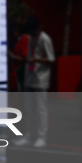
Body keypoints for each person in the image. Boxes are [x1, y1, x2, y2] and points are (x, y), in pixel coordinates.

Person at [13, 17, 54, 148]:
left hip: (40, 78)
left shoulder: (44, 39)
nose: (31, 33)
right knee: (29, 108)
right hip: (29, 76)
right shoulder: (31, 38)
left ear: (39, 29)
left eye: (33, 31)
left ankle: (42, 137)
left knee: (41, 109)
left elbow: (51, 59)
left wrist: (36, 59)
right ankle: (29, 136)